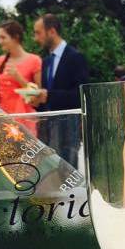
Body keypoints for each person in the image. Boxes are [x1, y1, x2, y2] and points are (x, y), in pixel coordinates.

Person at [30, 14, 89, 166]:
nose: (36, 38)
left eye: (38, 32)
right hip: (47, 128)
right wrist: (36, 101)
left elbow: (79, 95)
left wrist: (48, 95)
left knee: (67, 173)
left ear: (52, 31)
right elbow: (47, 95)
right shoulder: (47, 61)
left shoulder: (75, 57)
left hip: (67, 127)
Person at [0, 20, 42, 114]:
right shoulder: (0, 61)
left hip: (24, 118)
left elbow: (38, 98)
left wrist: (19, 78)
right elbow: (3, 95)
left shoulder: (34, 60)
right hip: (4, 118)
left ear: (16, 37)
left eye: (3, 38)